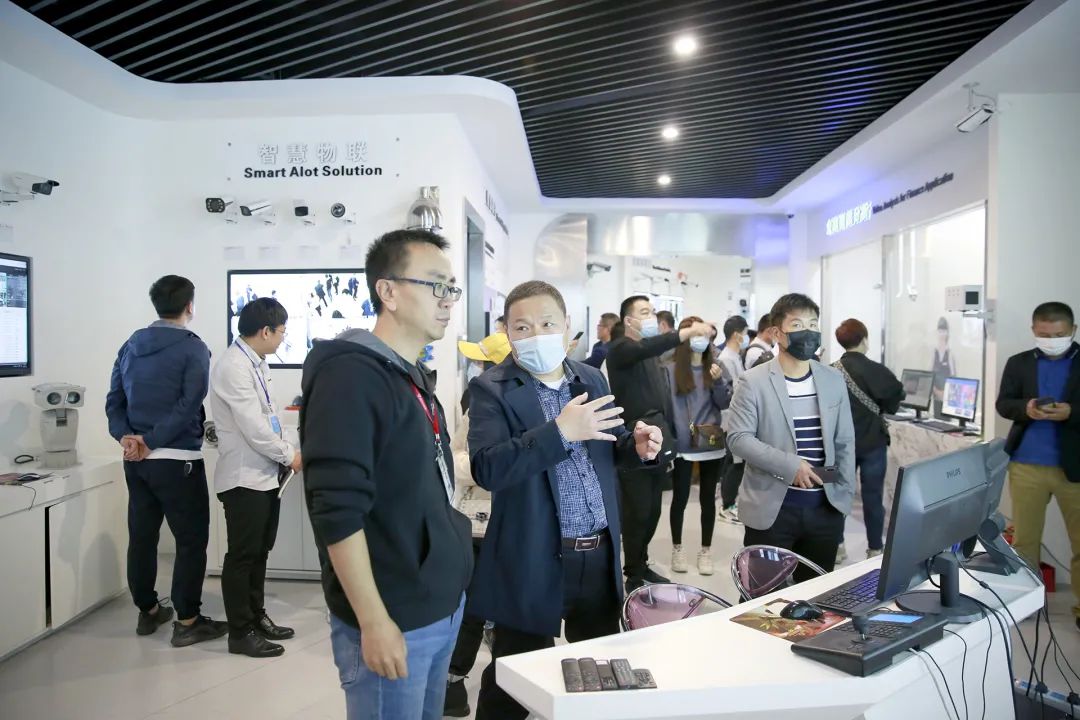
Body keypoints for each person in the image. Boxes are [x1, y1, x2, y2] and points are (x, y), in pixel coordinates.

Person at [468, 281, 663, 719]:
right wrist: (558, 432)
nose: (535, 334)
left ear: (567, 326)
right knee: (514, 677)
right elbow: (487, 468)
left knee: (599, 673)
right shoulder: (491, 389)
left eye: (546, 323)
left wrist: (636, 446)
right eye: (522, 326)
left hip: (597, 552)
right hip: (532, 553)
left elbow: (610, 442)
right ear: (507, 332)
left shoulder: (589, 378)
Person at [301, 230, 473, 720]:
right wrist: (373, 620)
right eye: (435, 285)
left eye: (452, 287)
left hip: (437, 602)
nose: (447, 299)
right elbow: (337, 509)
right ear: (389, 291)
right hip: (393, 612)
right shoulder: (351, 375)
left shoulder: (408, 375)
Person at [105, 275, 227, 647]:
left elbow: (114, 400)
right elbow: (189, 404)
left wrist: (128, 438)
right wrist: (152, 440)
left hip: (136, 462)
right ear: (190, 306)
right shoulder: (193, 348)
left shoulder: (130, 344)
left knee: (142, 537)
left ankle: (148, 610)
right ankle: (188, 620)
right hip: (178, 460)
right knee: (190, 540)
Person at [726, 293, 856, 579]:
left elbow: (844, 441)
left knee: (816, 595)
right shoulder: (753, 381)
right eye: (797, 325)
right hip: (772, 510)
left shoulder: (833, 379)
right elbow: (738, 438)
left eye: (813, 324)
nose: (807, 332)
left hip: (825, 509)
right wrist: (790, 465)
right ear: (777, 333)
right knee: (762, 596)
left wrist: (843, 496)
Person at [209, 297, 302, 658]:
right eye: (281, 332)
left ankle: (256, 616)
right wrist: (289, 455)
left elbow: (269, 418)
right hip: (243, 477)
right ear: (265, 331)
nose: (282, 338)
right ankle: (240, 632)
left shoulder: (257, 363)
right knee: (242, 556)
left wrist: (286, 448)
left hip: (264, 474)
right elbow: (253, 428)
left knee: (260, 552)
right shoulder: (233, 367)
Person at [607, 294, 714, 591]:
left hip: (660, 438)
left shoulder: (651, 357)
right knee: (638, 510)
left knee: (654, 509)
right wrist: (687, 332)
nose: (651, 317)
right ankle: (633, 573)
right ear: (628, 320)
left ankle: (640, 564)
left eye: (653, 311)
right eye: (644, 312)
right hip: (634, 440)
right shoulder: (621, 350)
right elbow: (646, 347)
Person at [996, 301, 1080, 632]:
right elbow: (1004, 404)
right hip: (1026, 465)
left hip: (1074, 468)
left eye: (1059, 335)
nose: (1052, 340)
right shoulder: (1019, 363)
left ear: (1072, 330)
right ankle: (1026, 602)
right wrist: (1027, 408)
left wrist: (1071, 412)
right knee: (1025, 541)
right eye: (1045, 334)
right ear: (1034, 331)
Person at [444, 332, 512, 717]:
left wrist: (473, 466)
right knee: (477, 608)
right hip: (478, 520)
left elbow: (469, 461)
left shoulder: (493, 403)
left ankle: (461, 682)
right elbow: (459, 453)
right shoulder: (481, 401)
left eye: (482, 361)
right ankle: (459, 683)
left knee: (478, 608)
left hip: (491, 523)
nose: (476, 368)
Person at [832, 318, 904, 560]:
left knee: (838, 494)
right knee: (873, 497)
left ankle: (837, 546)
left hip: (840, 446)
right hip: (873, 444)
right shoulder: (879, 371)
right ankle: (875, 549)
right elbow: (894, 401)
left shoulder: (831, 371)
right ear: (864, 339)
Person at [667, 316, 732, 575]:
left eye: (703, 334)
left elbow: (725, 403)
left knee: (708, 499)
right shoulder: (670, 370)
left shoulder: (717, 367)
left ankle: (706, 550)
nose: (700, 340)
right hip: (682, 445)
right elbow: (667, 407)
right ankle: (677, 548)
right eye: (694, 334)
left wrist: (718, 382)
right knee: (680, 498)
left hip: (710, 442)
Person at [931, 316, 957, 418]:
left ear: (948, 333)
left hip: (947, 397)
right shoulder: (934, 352)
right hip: (936, 394)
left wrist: (945, 393)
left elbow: (953, 377)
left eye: (944, 331)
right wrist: (936, 391)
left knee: (946, 420)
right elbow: (929, 375)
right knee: (936, 419)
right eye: (940, 331)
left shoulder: (950, 353)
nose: (942, 334)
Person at [717, 315, 749, 384]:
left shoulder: (735, 356)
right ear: (736, 335)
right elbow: (733, 386)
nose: (747, 336)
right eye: (745, 333)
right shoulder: (726, 358)